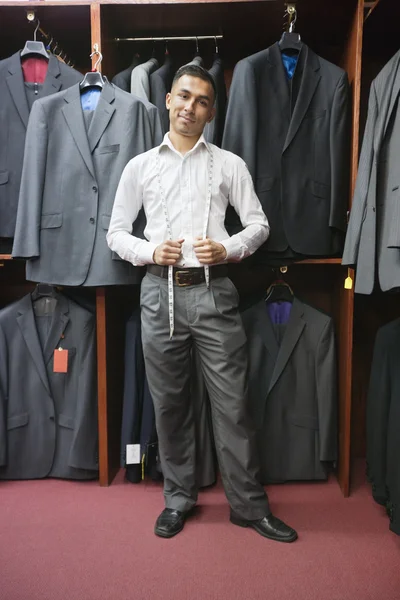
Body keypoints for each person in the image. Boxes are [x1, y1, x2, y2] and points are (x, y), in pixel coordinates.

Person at [107, 64, 297, 543]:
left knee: (233, 405)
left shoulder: (229, 164)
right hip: (158, 292)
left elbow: (258, 224)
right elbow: (115, 233)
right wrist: (150, 252)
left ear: (211, 112)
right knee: (169, 404)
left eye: (202, 101)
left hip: (215, 290)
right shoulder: (140, 166)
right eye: (184, 97)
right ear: (168, 99)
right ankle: (178, 498)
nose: (190, 107)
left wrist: (228, 247)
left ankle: (248, 506)